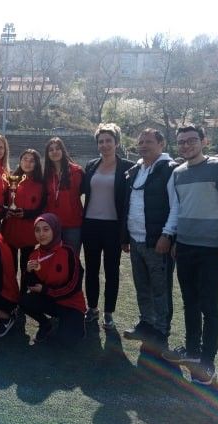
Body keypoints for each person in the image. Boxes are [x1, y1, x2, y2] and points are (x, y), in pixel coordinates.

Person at [162, 124, 218, 385]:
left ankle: (207, 363)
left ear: (204, 141)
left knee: (209, 306)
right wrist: (176, 240)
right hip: (185, 247)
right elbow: (181, 209)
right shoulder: (178, 173)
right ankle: (192, 351)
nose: (186, 145)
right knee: (190, 302)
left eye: (191, 140)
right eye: (181, 141)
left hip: (211, 249)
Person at [121, 129, 178, 353]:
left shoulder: (169, 169)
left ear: (161, 144)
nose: (143, 145)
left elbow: (176, 206)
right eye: (141, 142)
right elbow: (130, 205)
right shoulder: (136, 170)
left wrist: (167, 234)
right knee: (142, 286)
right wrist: (126, 236)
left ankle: (161, 333)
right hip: (136, 239)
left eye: (149, 142)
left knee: (161, 290)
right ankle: (146, 323)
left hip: (157, 241)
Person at [81, 123, 133, 330]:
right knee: (91, 269)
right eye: (101, 141)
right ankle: (92, 308)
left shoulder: (128, 167)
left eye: (108, 141)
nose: (104, 145)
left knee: (112, 270)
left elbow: (130, 202)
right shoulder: (91, 165)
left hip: (113, 227)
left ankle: (109, 312)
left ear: (116, 143)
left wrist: (126, 233)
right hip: (90, 225)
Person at [20, 213, 86, 346]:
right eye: (37, 230)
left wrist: (46, 290)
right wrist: (28, 272)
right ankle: (45, 324)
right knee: (24, 300)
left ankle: (76, 324)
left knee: (66, 341)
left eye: (46, 229)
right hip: (51, 300)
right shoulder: (34, 255)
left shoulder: (68, 252)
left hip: (71, 304)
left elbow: (74, 287)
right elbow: (31, 285)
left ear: (55, 230)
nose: (41, 234)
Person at [2, 149, 47, 293]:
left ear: (36, 164)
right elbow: (2, 201)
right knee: (10, 266)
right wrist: (5, 211)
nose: (27, 163)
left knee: (26, 267)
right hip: (10, 230)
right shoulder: (11, 180)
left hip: (29, 232)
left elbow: (42, 208)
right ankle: (10, 294)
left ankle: (23, 296)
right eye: (25, 159)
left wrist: (27, 213)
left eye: (31, 160)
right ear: (20, 161)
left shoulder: (41, 184)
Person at [43, 137, 84, 254]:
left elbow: (83, 192)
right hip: (52, 224)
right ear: (47, 154)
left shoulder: (77, 171)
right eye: (51, 150)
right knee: (53, 258)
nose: (54, 152)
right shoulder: (46, 174)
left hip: (73, 225)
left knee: (72, 257)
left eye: (57, 148)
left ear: (63, 150)